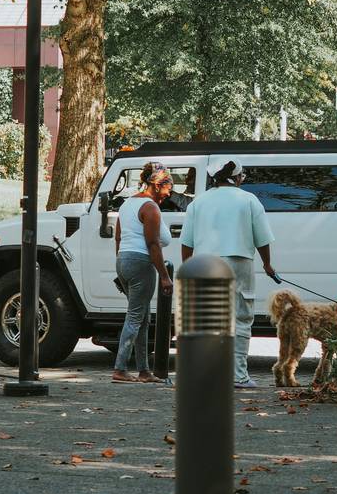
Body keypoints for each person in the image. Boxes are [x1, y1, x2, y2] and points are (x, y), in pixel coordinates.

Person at [180, 158, 276, 389]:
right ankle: (238, 376)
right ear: (237, 178)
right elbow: (262, 238)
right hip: (238, 261)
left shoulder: (198, 202)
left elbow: (186, 242)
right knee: (241, 318)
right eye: (242, 177)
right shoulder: (249, 200)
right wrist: (267, 265)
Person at [112, 161, 175, 383]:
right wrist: (165, 277)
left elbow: (118, 237)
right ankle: (120, 368)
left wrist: (121, 261)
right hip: (140, 263)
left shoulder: (127, 204)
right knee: (135, 317)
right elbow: (153, 244)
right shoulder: (150, 207)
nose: (169, 194)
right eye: (168, 188)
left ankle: (144, 370)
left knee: (143, 318)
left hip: (124, 260)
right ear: (157, 185)